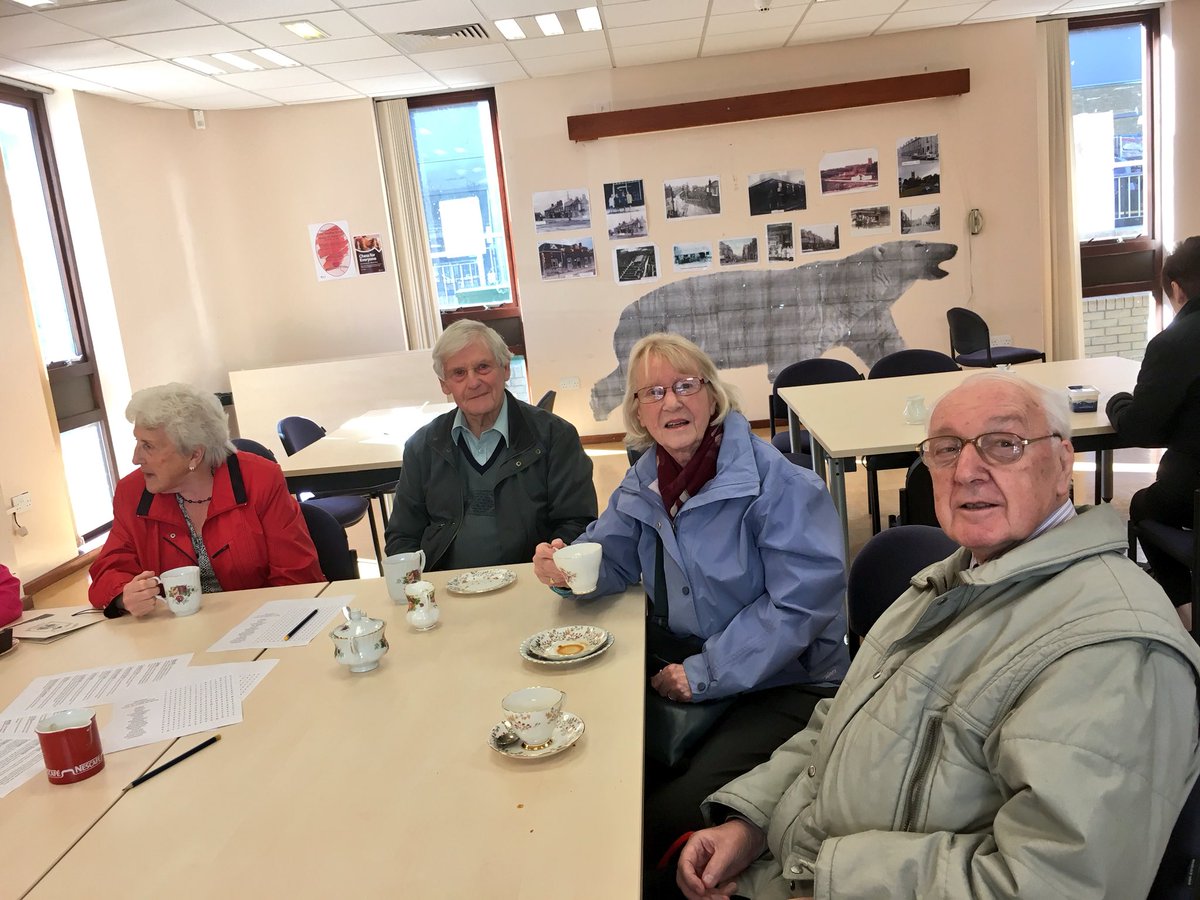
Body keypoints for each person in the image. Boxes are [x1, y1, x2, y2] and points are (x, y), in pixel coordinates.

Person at [676, 372, 1200, 900]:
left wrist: (822, 881)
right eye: (946, 449)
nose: (967, 470)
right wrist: (751, 824)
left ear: (1063, 464)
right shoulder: (956, 580)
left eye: (1003, 444)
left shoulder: (1111, 652)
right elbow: (842, 722)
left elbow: (1052, 884)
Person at [532, 333, 847, 877]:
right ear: (637, 411)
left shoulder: (782, 486)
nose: (671, 402)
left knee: (661, 819)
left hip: (785, 683)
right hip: (688, 668)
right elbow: (613, 559)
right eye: (652, 392)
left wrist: (702, 673)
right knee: (593, 782)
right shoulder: (645, 479)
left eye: (685, 385)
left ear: (712, 394)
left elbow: (798, 609)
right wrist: (566, 572)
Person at [89, 383, 323, 616]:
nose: (135, 458)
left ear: (194, 454)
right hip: (175, 634)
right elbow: (108, 569)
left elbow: (297, 576)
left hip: (262, 623)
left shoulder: (259, 480)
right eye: (137, 442)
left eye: (148, 446)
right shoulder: (132, 493)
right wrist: (123, 595)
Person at [384, 320, 597, 571]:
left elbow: (578, 523)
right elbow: (402, 537)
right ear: (444, 385)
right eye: (459, 373)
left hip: (532, 585)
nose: (473, 382)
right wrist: (419, 595)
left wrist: (555, 559)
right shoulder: (422, 447)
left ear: (506, 369)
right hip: (446, 594)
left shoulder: (556, 437)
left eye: (483, 367)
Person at [1107, 235, 1200, 611]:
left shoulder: (1174, 343)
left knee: (1145, 505)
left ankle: (1186, 608)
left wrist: (1118, 403)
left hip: (1192, 491)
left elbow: (1141, 429)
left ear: (1176, 289)